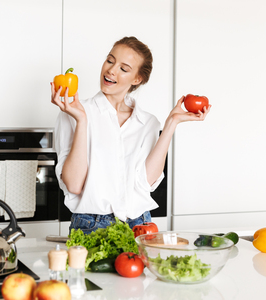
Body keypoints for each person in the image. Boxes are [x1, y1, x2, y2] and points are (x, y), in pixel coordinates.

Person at [51, 36, 211, 234]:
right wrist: (82, 121)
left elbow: (146, 182)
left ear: (137, 79)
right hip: (90, 226)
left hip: (141, 224)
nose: (111, 70)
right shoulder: (73, 112)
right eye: (110, 60)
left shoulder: (148, 122)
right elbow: (74, 185)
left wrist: (172, 122)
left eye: (123, 68)